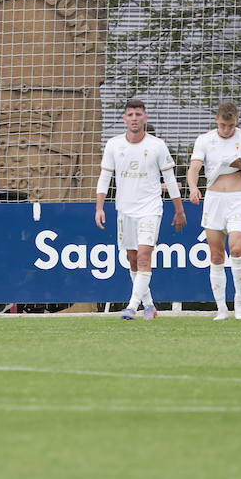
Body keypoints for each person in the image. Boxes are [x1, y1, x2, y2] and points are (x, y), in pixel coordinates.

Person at [95, 99, 186, 320]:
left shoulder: (157, 145)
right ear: (125, 119)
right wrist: (99, 207)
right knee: (133, 259)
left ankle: (131, 306)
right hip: (124, 210)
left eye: (138, 114)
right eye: (130, 114)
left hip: (150, 209)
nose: (134, 118)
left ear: (145, 118)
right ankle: (149, 306)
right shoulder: (114, 145)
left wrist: (179, 209)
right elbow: (105, 177)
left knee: (145, 257)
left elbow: (170, 179)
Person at [186, 101, 241, 320]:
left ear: (236, 121)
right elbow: (194, 168)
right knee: (216, 254)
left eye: (230, 126)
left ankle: (239, 300)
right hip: (213, 200)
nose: (226, 130)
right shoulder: (205, 140)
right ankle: (221, 307)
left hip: (237, 199)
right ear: (216, 121)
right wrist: (193, 188)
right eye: (222, 125)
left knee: (237, 248)